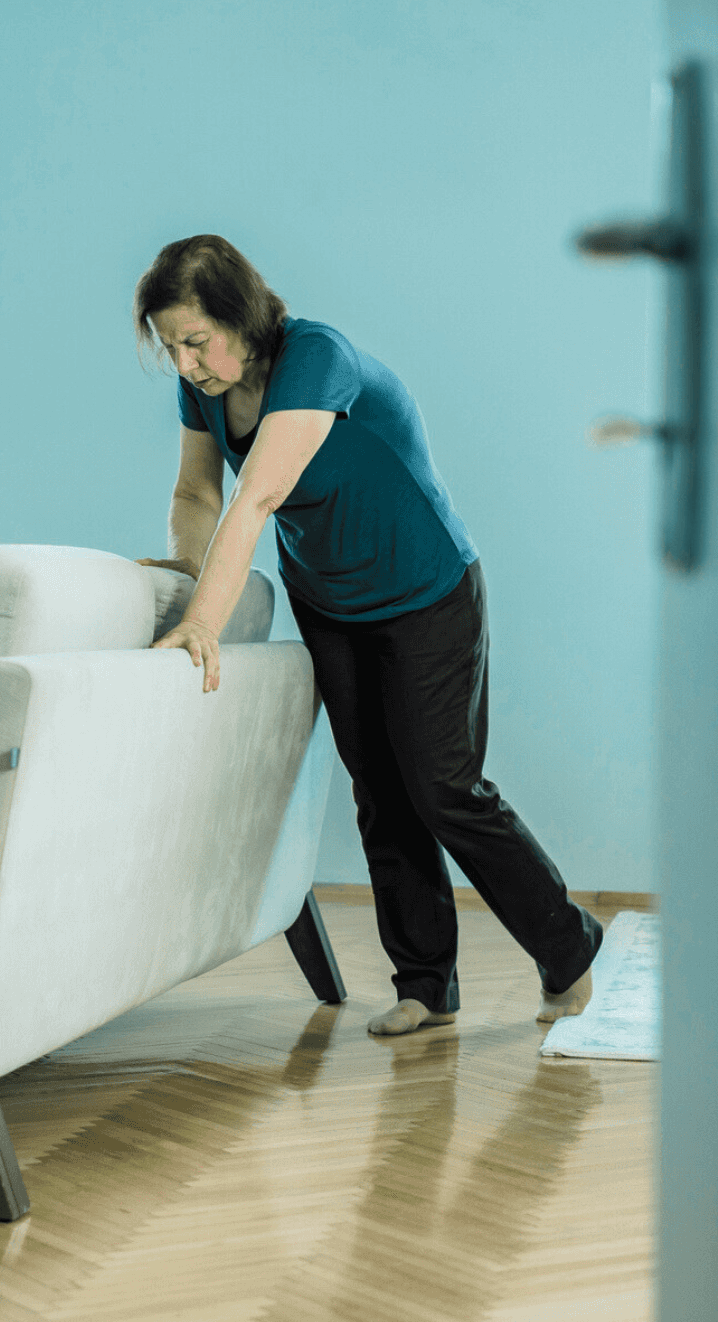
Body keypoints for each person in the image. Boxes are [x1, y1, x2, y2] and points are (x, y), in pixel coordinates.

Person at [133, 234, 603, 1036]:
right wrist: (188, 575)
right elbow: (196, 493)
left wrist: (201, 623)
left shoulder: (317, 358)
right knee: (380, 795)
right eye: (170, 346)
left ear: (240, 318)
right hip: (332, 603)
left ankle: (570, 946)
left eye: (195, 341)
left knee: (443, 787)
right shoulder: (206, 391)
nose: (185, 364)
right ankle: (424, 984)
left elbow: (257, 499)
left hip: (428, 590)